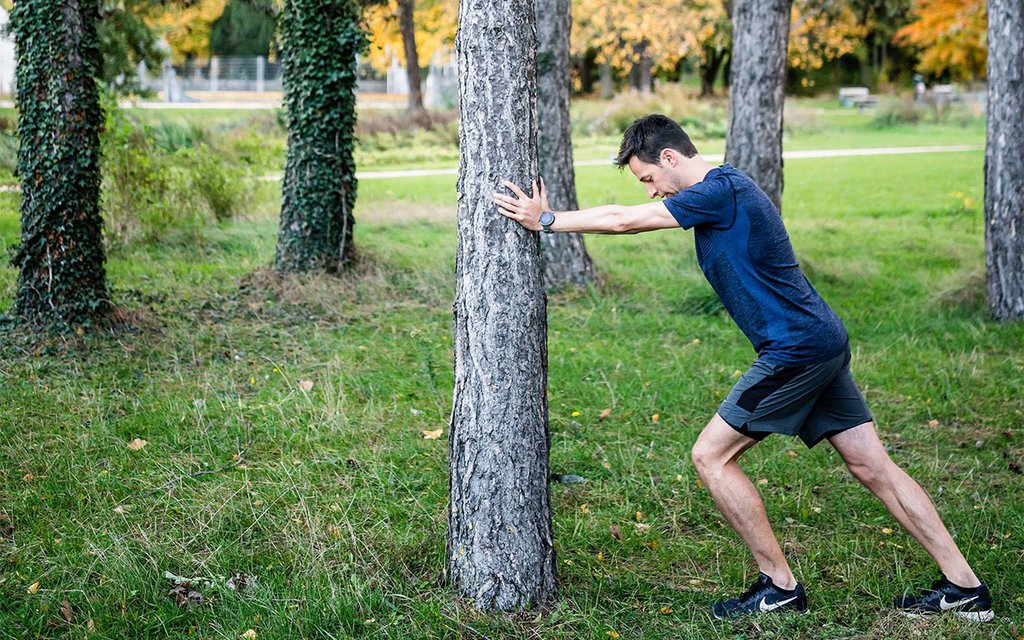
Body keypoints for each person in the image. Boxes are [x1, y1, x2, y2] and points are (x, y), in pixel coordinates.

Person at [492, 114, 993, 622]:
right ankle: (965, 587)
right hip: (820, 340)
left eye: (649, 178)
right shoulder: (724, 191)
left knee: (711, 456)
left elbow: (626, 221)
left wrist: (547, 220)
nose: (651, 191)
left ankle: (779, 588)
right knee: (872, 466)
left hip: (795, 351)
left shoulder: (718, 190)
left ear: (670, 157)